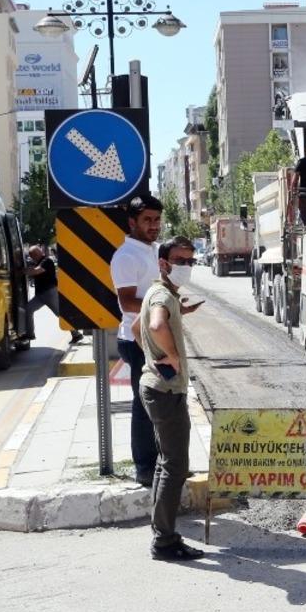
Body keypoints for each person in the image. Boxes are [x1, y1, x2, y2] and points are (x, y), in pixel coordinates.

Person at [138, 236, 205, 562]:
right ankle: (164, 541)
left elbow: (138, 329)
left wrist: (152, 356)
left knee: (167, 463)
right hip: (166, 392)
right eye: (180, 261)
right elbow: (154, 324)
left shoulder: (159, 292)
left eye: (191, 261)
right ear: (163, 264)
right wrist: (172, 356)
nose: (187, 267)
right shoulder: (163, 294)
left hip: (156, 387)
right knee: (175, 466)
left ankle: (162, 534)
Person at [111, 195, 164, 488]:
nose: (154, 225)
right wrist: (164, 305)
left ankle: (162, 464)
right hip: (136, 339)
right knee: (144, 404)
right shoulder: (126, 256)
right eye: (147, 220)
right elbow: (127, 301)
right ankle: (144, 467)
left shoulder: (153, 250)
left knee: (164, 403)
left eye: (157, 220)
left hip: (156, 337)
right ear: (132, 222)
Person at [25, 244, 83, 343]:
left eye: (32, 255)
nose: (32, 257)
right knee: (28, 310)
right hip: (40, 295)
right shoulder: (38, 262)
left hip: (50, 293)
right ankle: (30, 334)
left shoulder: (47, 261)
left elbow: (37, 271)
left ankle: (76, 334)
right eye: (30, 255)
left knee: (60, 314)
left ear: (37, 253)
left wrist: (24, 271)